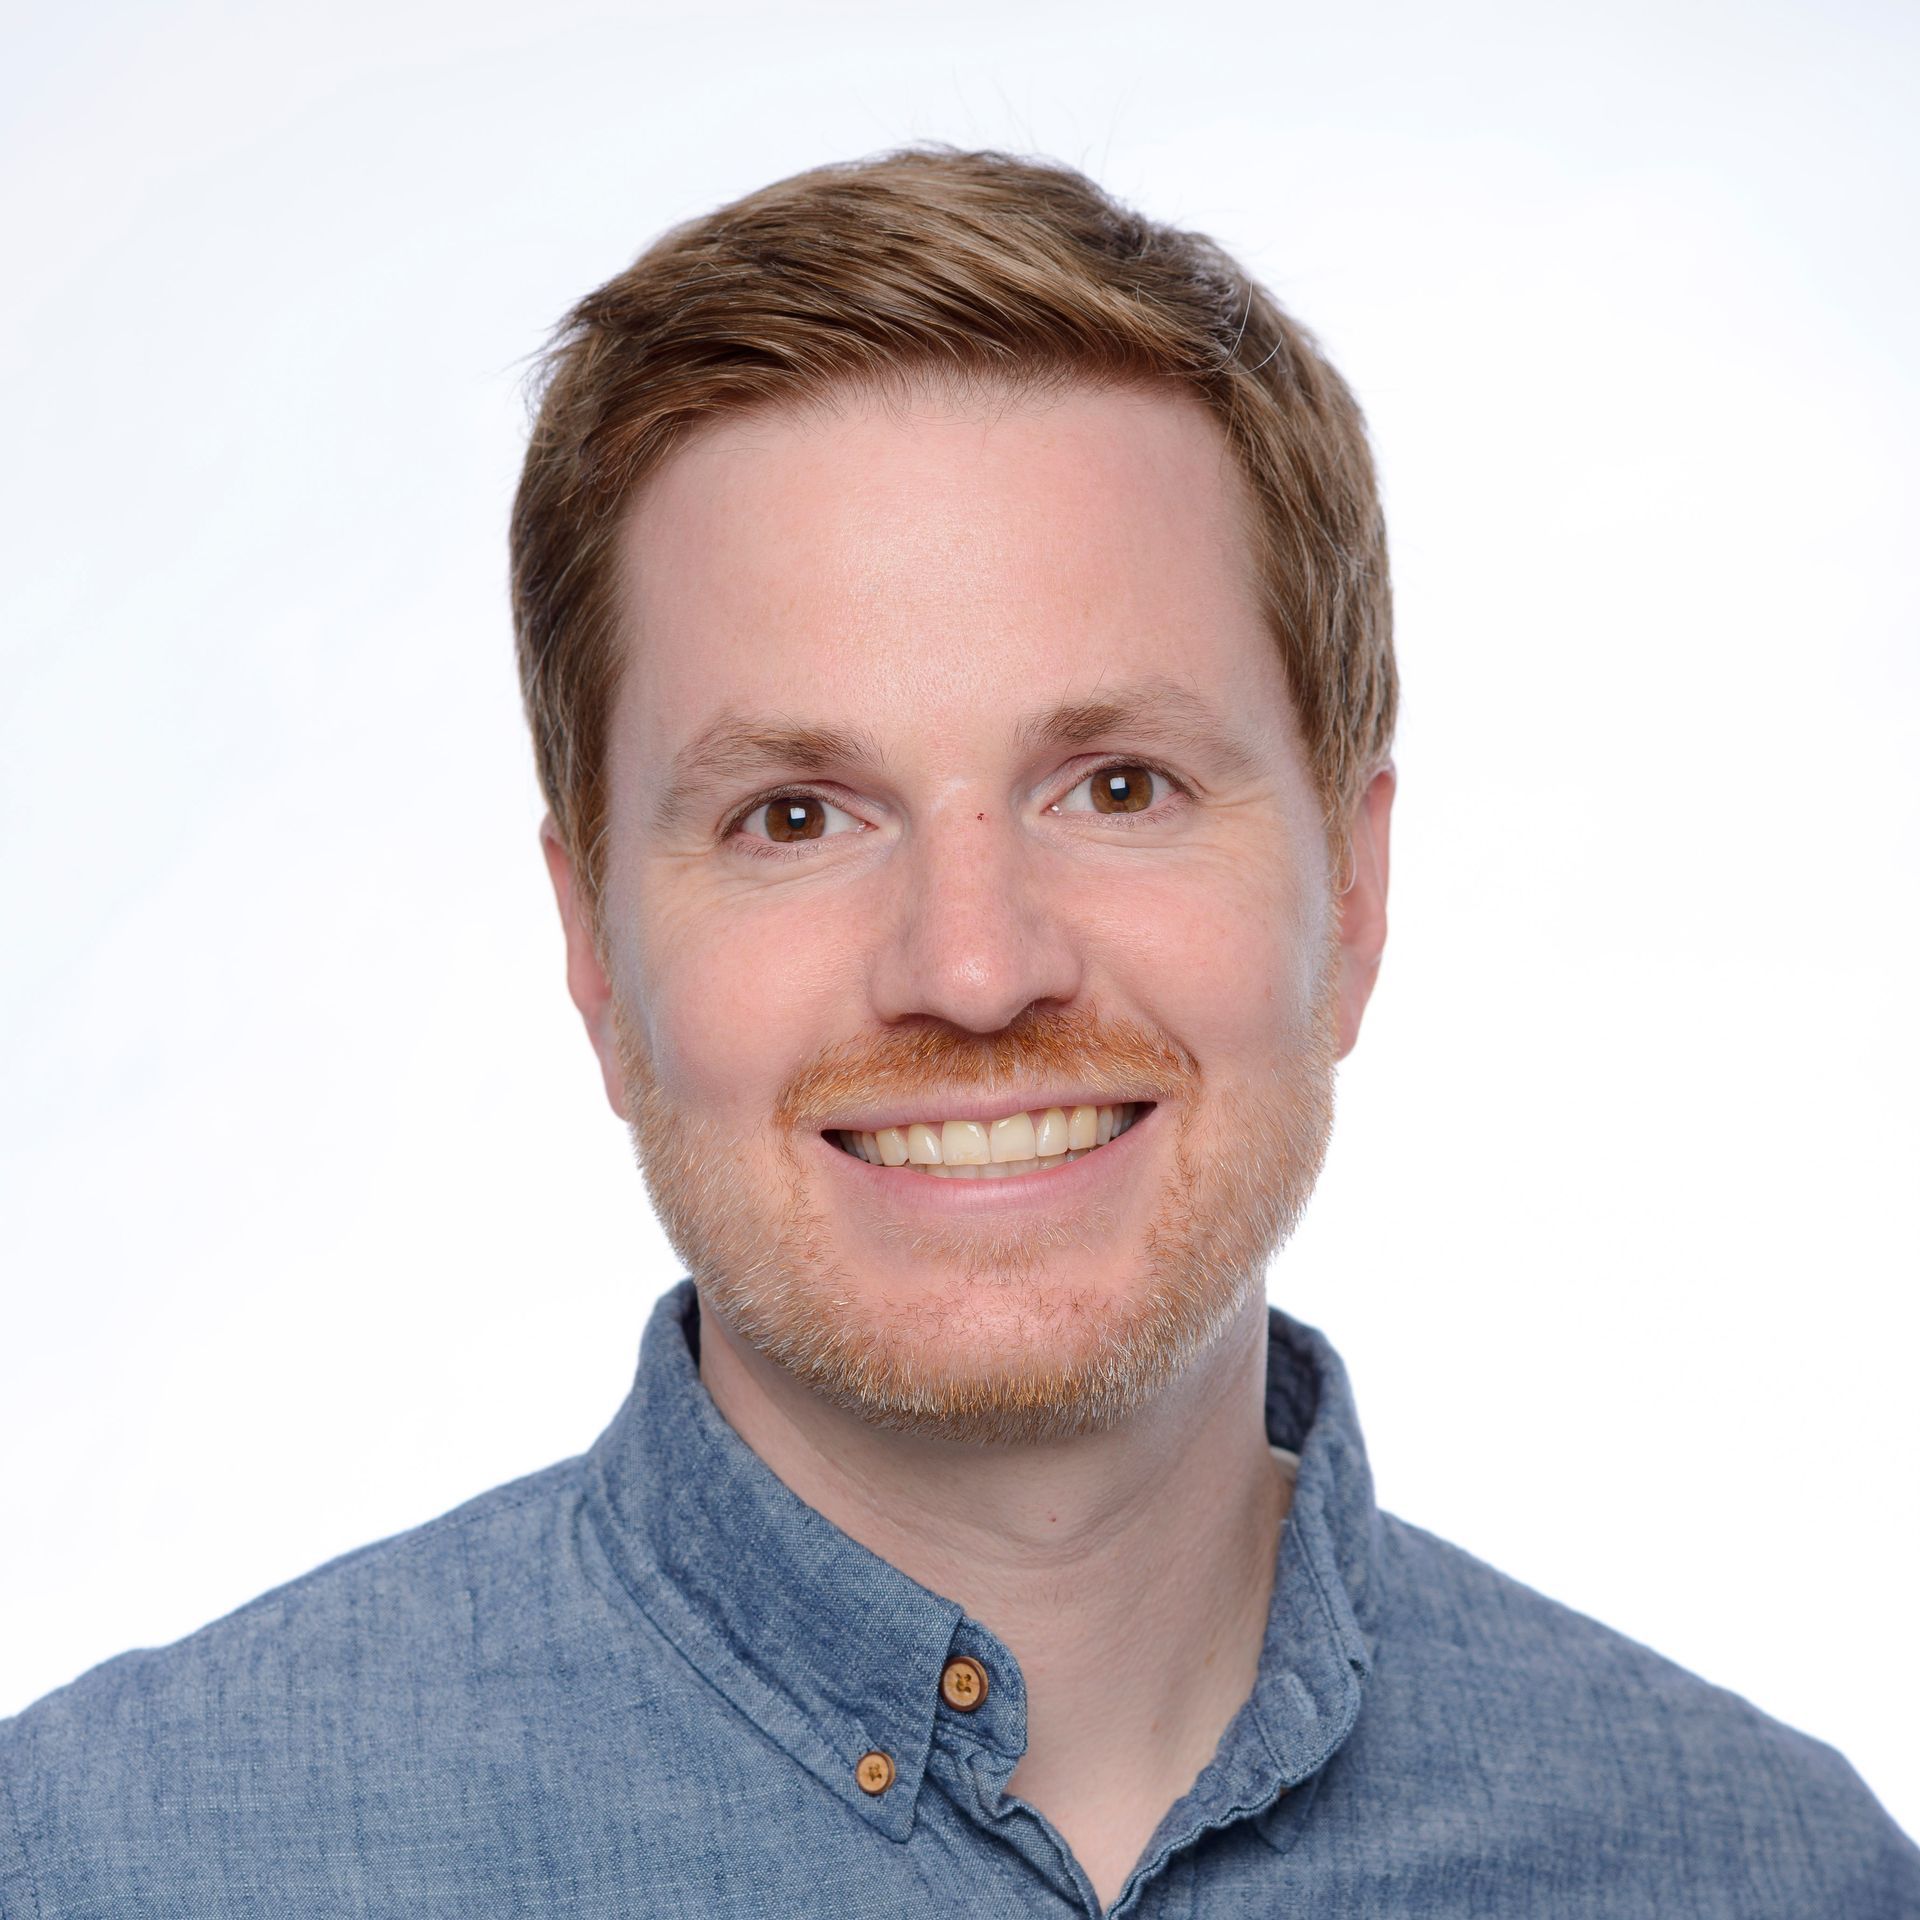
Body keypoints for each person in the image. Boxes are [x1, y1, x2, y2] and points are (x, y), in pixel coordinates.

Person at [2, 146, 1913, 1919]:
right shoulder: (113, 1866)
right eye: (796, 816)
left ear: (1357, 891)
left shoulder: (1775, 1876)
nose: (976, 969)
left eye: (1123, 786)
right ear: (592, 946)